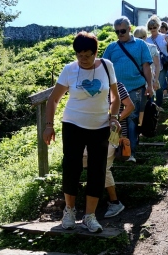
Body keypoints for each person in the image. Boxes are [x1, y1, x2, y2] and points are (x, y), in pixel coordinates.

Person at [43, 31, 121, 233]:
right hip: (73, 125)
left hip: (100, 126)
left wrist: (113, 117)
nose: (83, 60)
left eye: (87, 55)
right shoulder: (69, 70)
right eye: (79, 55)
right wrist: (49, 125)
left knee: (97, 170)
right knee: (71, 167)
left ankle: (90, 216)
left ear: (96, 53)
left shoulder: (107, 66)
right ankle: (69, 211)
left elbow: (116, 98)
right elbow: (53, 99)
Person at [103, 16, 153, 163]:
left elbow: (146, 66)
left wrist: (149, 85)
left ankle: (130, 153)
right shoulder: (111, 47)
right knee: (115, 121)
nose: (120, 34)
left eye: (123, 31)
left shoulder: (141, 45)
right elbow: (103, 67)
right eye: (117, 31)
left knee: (131, 119)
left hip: (135, 87)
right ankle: (116, 152)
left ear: (130, 29)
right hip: (115, 90)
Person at [83, 82, 134, 218]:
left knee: (102, 167)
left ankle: (115, 202)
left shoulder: (117, 86)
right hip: (93, 133)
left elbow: (130, 106)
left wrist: (114, 119)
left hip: (113, 134)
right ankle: (92, 198)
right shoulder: (91, 89)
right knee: (84, 160)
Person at [133, 26, 161, 125]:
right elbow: (157, 66)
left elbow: (157, 65)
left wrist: (156, 80)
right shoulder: (150, 47)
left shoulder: (151, 47)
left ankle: (146, 125)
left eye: (141, 37)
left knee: (147, 104)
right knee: (143, 105)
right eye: (137, 37)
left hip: (146, 80)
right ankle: (143, 125)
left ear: (145, 36)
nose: (140, 40)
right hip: (140, 80)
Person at [146, 15, 168, 106]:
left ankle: (158, 105)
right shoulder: (146, 39)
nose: (152, 29)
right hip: (151, 66)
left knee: (159, 85)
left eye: (154, 27)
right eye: (150, 28)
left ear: (158, 27)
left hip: (162, 64)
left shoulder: (164, 37)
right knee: (152, 85)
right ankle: (152, 105)